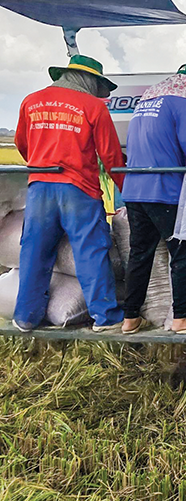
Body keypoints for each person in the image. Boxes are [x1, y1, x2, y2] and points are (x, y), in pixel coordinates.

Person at [13, 55, 125, 332]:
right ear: (90, 80)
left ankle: (26, 317)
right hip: (78, 190)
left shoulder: (31, 101)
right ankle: (106, 317)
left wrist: (41, 164)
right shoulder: (93, 106)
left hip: (40, 188)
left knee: (34, 251)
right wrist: (127, 189)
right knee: (90, 251)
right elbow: (110, 156)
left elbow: (22, 144)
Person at [119, 64, 186, 335]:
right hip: (164, 190)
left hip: (134, 189)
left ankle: (130, 319)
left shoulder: (145, 103)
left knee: (140, 254)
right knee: (184, 251)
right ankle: (182, 318)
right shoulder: (184, 102)